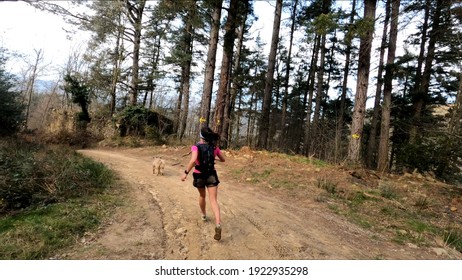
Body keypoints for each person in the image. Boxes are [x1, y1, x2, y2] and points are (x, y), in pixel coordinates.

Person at [181, 126, 225, 241]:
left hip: (199, 175)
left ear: (201, 136)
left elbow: (193, 160)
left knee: (202, 196)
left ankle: (204, 215)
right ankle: (218, 223)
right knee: (214, 200)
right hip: (211, 175)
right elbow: (223, 159)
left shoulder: (196, 147)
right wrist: (215, 159)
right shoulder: (214, 147)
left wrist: (185, 173)